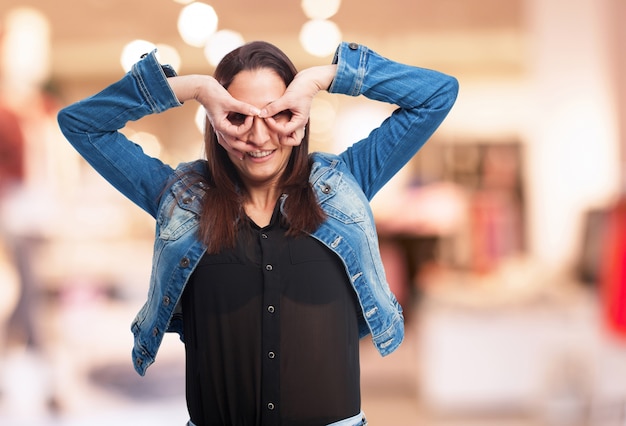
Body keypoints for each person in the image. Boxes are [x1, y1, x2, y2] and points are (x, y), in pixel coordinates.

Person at [57, 40, 458, 426]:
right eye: (238, 116)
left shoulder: (345, 186)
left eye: (277, 113)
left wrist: (320, 78)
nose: (259, 136)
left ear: (299, 114)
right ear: (215, 123)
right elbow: (81, 124)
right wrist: (195, 87)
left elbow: (437, 94)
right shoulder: (179, 200)